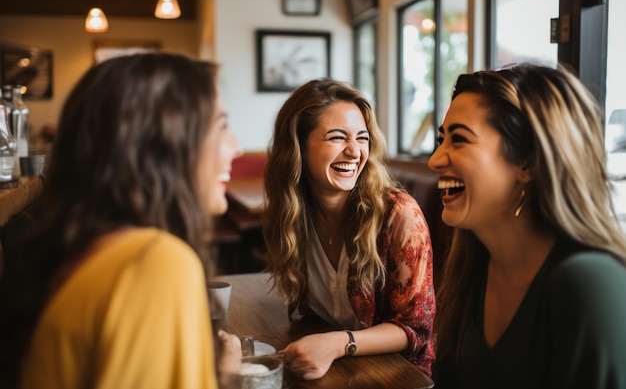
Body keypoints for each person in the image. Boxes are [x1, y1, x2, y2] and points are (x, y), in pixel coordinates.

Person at [0, 53, 244, 389]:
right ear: (162, 146)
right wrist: (228, 377)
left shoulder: (81, 251)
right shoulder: (153, 263)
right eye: (221, 127)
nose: (237, 147)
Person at [429, 63, 626, 388]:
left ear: (528, 163)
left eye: (459, 140)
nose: (434, 160)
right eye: (441, 139)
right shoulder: (474, 264)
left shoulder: (588, 281)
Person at [263, 78, 435, 380]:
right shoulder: (293, 212)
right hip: (333, 368)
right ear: (298, 146)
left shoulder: (398, 215)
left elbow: (417, 329)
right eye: (337, 137)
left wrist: (338, 344)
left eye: (362, 138)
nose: (354, 152)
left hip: (394, 377)